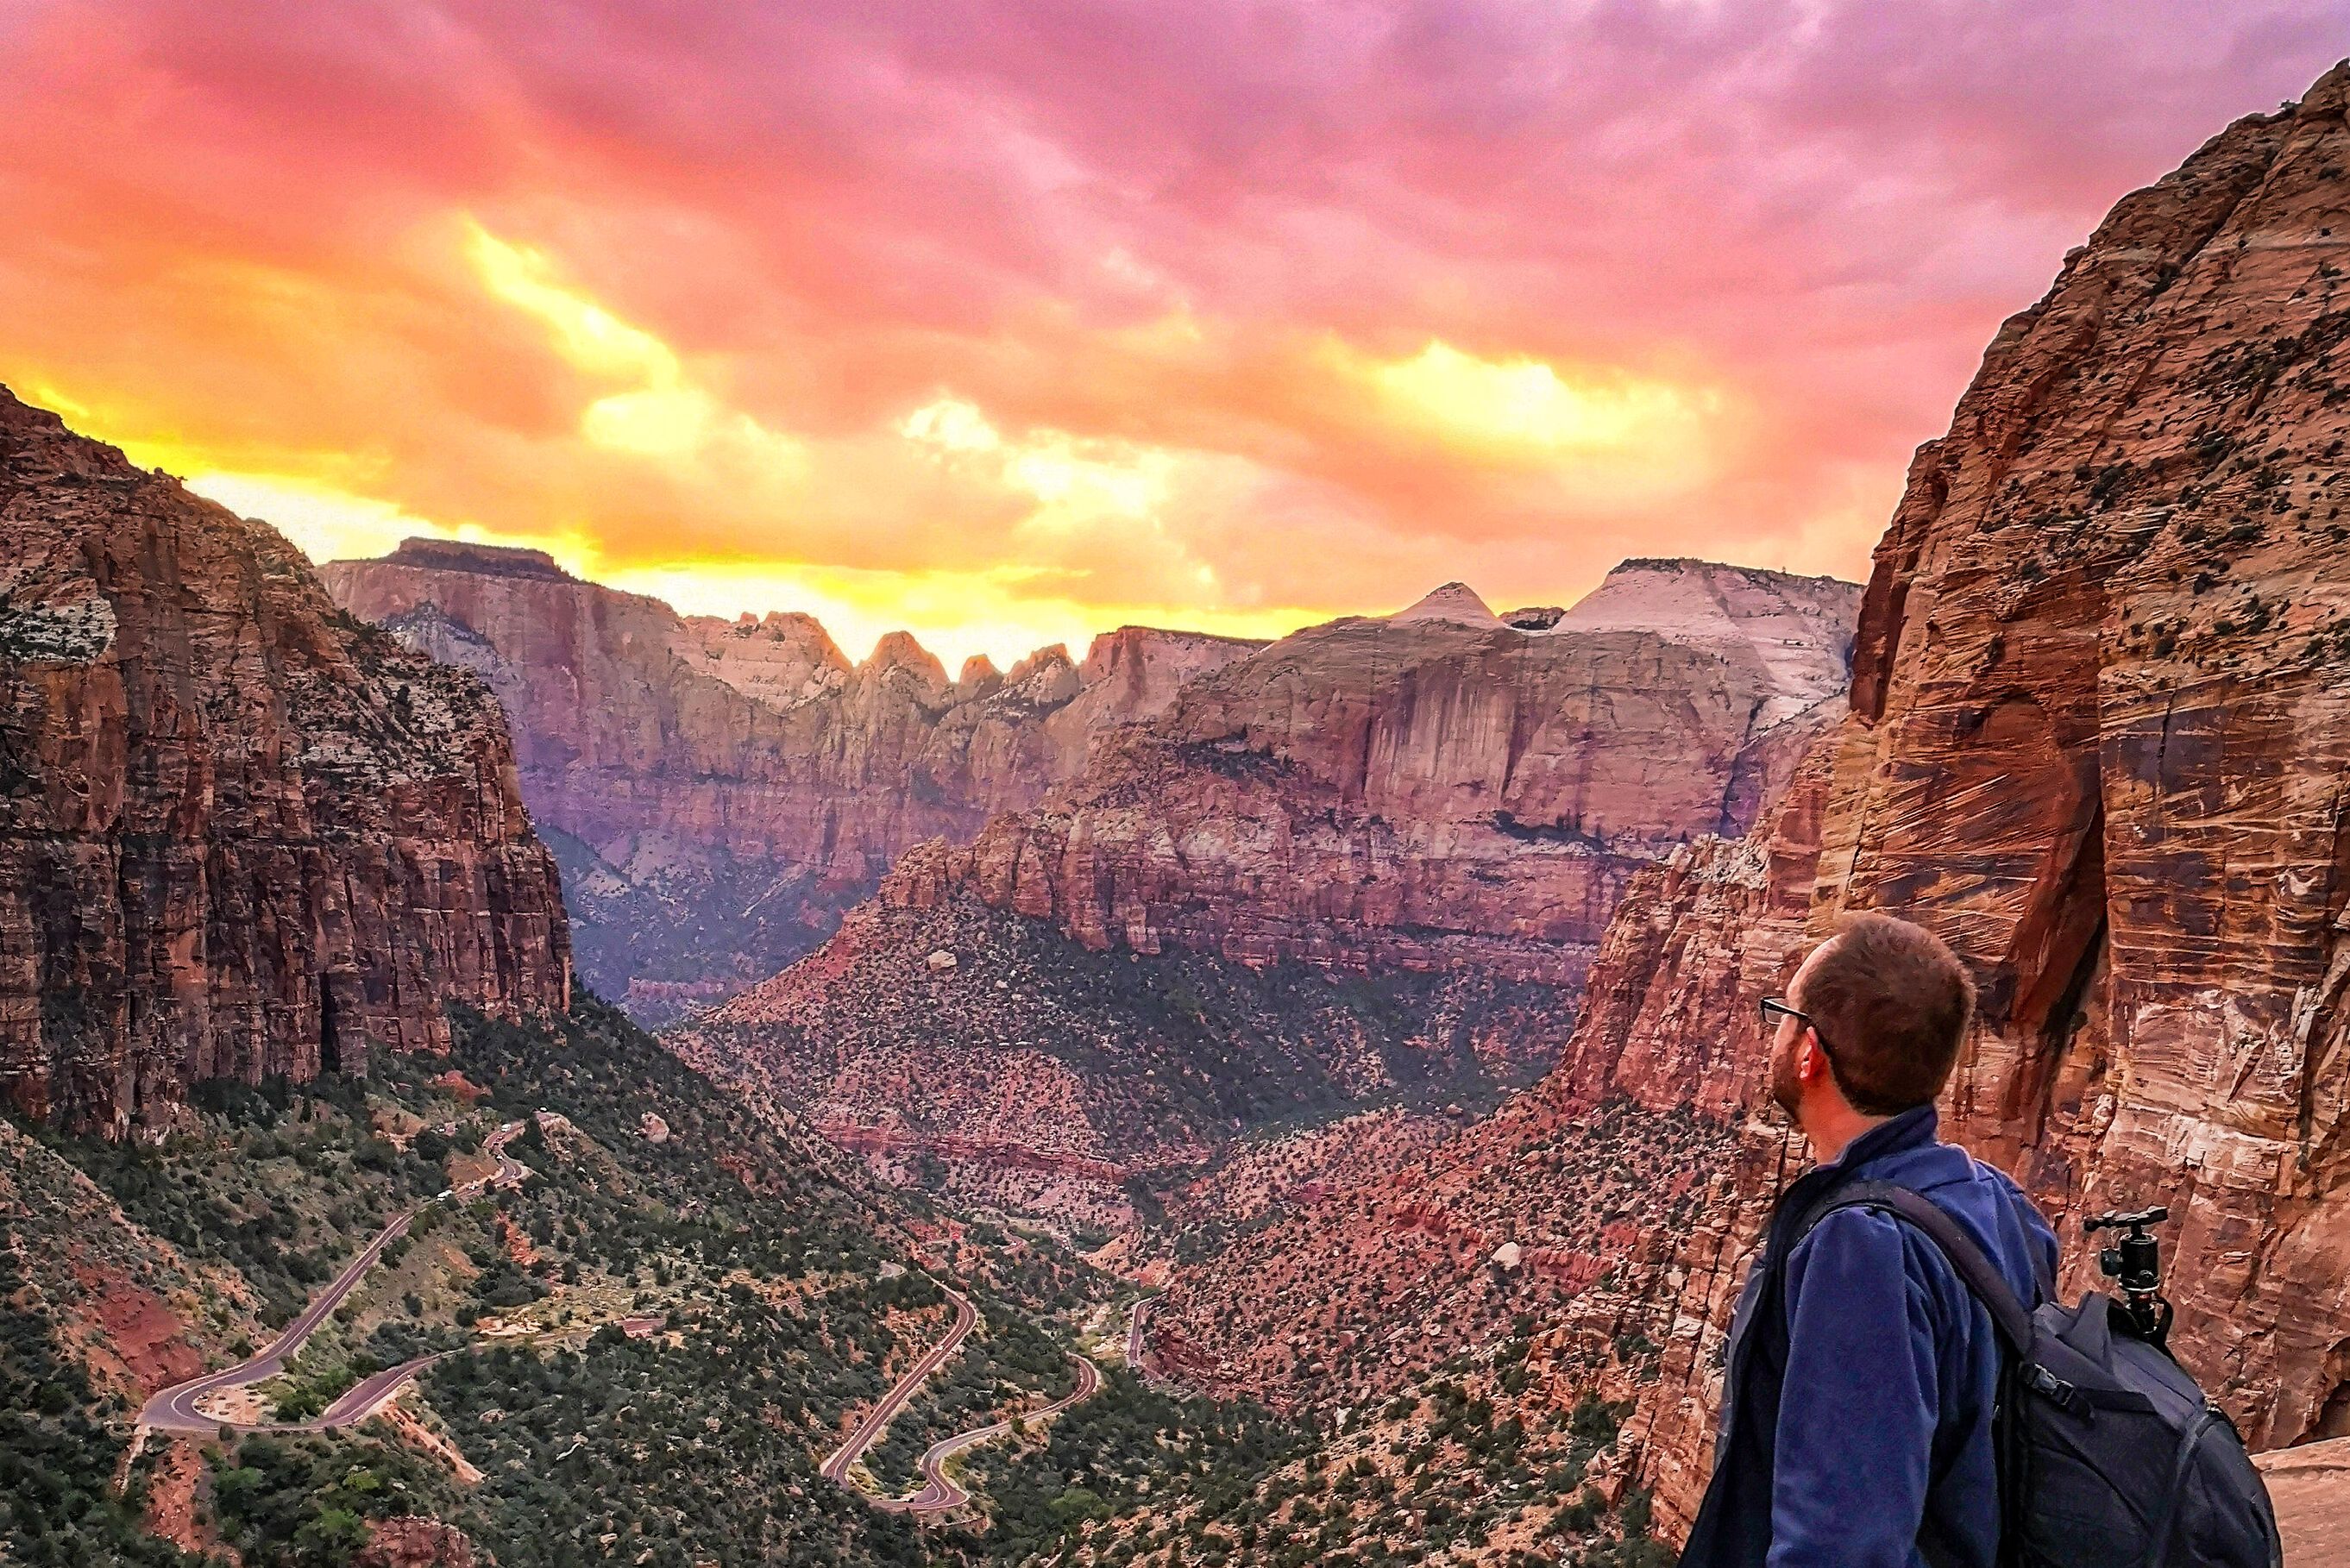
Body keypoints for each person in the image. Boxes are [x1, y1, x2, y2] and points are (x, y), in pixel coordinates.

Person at [1676, 913, 2059, 1568]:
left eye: (1783, 1014)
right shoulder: (1993, 1198)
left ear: (1809, 1053)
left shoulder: (1860, 1250)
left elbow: (1843, 1543)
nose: (1776, 1032)